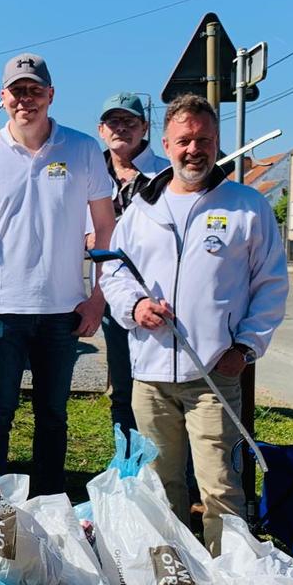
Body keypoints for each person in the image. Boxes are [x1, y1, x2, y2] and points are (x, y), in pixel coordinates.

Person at [100, 93, 288, 556]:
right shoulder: (142, 209)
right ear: (166, 144)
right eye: (184, 140)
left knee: (220, 487)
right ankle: (175, 573)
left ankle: (230, 577)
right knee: (160, 487)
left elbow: (271, 283)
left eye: (204, 140)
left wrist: (245, 347)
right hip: (150, 374)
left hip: (213, 375)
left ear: (217, 142)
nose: (194, 150)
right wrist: (135, 308)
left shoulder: (246, 206)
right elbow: (114, 271)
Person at [0, 53, 115, 496]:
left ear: (51, 95)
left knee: (53, 416)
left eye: (34, 90)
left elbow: (106, 227)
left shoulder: (82, 150)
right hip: (0, 308)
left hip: (63, 308)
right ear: (3, 97)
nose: (26, 99)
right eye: (17, 91)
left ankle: (49, 503)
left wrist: (98, 297)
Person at [93, 92, 170, 440]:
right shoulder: (90, 173)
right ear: (101, 129)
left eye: (129, 122)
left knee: (162, 388)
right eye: (113, 121)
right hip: (111, 292)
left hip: (158, 294)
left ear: (145, 127)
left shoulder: (167, 175)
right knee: (123, 387)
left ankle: (166, 464)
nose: (121, 128)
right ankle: (127, 464)